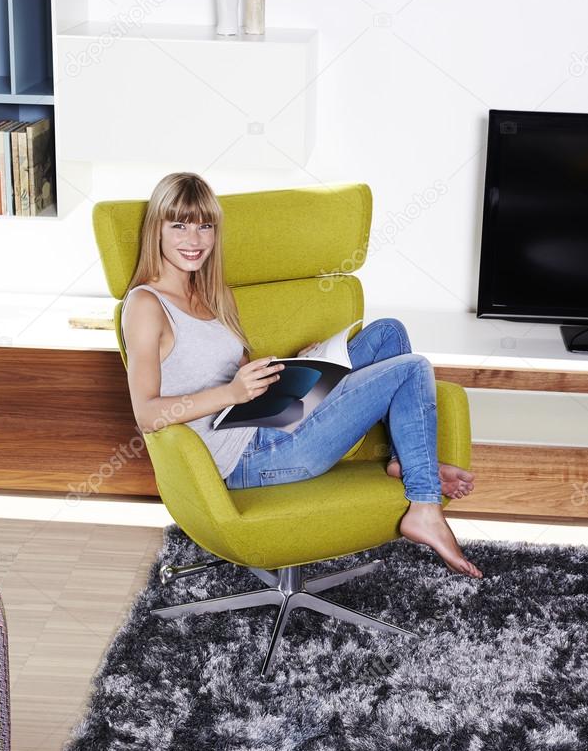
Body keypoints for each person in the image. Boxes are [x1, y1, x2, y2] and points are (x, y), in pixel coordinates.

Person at [121, 172, 483, 579]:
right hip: (246, 458)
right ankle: (424, 505)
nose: (195, 239)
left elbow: (236, 368)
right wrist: (232, 393)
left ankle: (406, 461)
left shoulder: (212, 292)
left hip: (270, 417)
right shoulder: (146, 305)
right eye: (180, 225)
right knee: (411, 368)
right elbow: (147, 415)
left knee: (387, 334)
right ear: (158, 230)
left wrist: (299, 367)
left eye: (205, 226)